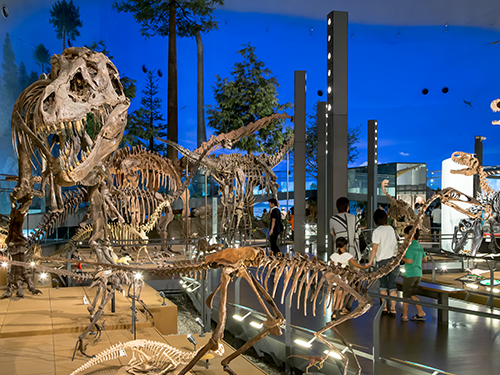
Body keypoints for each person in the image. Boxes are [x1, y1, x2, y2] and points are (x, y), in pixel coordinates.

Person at [367, 209, 400, 316]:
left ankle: (384, 308)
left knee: (383, 285)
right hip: (394, 261)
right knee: (393, 285)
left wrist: (370, 262)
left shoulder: (377, 231)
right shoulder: (392, 229)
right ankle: (393, 309)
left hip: (382, 262)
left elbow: (375, 248)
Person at [330, 237, 369, 316]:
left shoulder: (333, 256)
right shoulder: (347, 255)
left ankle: (340, 308)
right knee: (341, 293)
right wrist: (365, 267)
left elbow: (331, 267)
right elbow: (355, 264)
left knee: (340, 293)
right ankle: (336, 310)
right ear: (345, 245)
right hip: (344, 279)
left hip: (336, 278)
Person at [401, 225, 427, 322]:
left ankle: (404, 315)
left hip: (410, 274)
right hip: (418, 273)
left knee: (406, 296)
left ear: (410, 235)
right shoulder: (419, 246)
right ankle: (421, 312)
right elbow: (425, 259)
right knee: (412, 294)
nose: (404, 237)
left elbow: (409, 261)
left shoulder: (410, 247)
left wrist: (402, 258)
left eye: (405, 235)